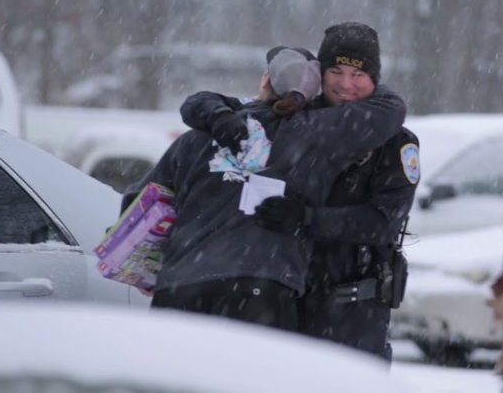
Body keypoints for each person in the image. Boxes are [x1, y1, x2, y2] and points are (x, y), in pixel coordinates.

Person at [178, 21, 420, 361]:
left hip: (352, 309)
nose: (346, 84)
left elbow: (383, 222)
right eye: (336, 71)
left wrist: (307, 219)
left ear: (375, 79)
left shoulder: (394, 142)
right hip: (283, 298)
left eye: (359, 75)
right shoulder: (295, 114)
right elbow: (199, 102)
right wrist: (218, 115)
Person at [123, 45, 407, 333]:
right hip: (261, 289)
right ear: (313, 94)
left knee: (168, 378)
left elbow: (139, 202)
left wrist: (147, 271)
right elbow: (390, 110)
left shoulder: (199, 136)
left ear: (266, 80)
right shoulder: (318, 136)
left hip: (179, 287)